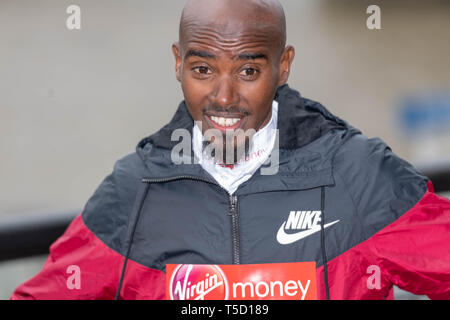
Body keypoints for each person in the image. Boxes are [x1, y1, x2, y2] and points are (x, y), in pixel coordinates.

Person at [11, 0, 450, 300]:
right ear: (177, 63)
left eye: (247, 69)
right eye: (203, 69)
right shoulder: (133, 192)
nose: (223, 97)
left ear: (283, 66)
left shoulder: (361, 176)